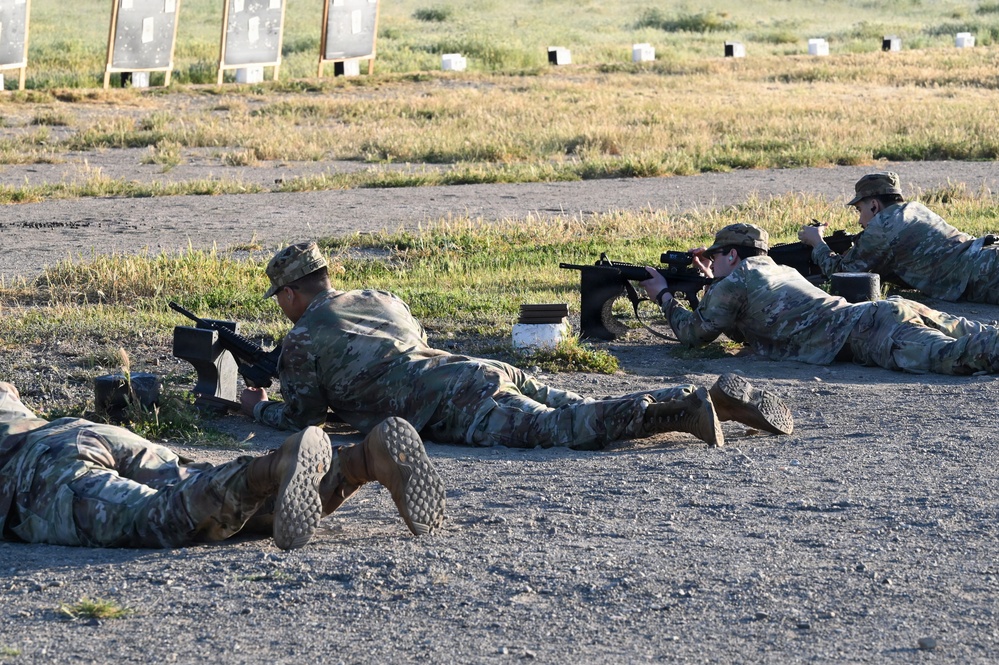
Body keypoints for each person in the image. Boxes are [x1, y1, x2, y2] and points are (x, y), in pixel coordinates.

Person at [240, 242, 794, 451]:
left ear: (290, 292)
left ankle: (682, 411)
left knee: (564, 432)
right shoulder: (378, 297)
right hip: (475, 369)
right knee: (577, 405)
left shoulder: (303, 336)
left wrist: (255, 405)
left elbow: (305, 420)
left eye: (279, 297)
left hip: (454, 402)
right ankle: (707, 398)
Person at [0, 381, 445, 549]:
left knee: (155, 520)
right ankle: (361, 461)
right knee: (207, 497)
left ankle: (270, 468)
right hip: (74, 431)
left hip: (40, 473)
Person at [640, 223, 999, 375]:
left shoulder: (737, 281)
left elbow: (694, 334)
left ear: (732, 256)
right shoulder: (776, 270)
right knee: (978, 332)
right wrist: (710, 283)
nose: (712, 262)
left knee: (955, 358)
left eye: (716, 256)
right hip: (881, 314)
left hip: (871, 332)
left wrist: (664, 297)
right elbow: (741, 321)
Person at [797, 171, 999, 304]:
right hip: (986, 256)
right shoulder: (913, 209)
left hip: (983, 273)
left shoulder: (884, 224)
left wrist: (818, 243)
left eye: (860, 210)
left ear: (874, 205)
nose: (860, 220)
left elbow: (843, 274)